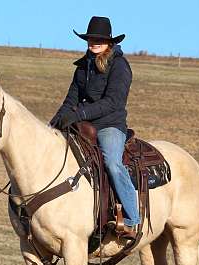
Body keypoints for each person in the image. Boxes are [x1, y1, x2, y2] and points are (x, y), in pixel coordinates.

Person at [50, 16, 139, 239]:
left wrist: (79, 114)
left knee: (112, 162)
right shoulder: (82, 67)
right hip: (84, 125)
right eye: (91, 38)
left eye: (99, 39)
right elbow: (70, 100)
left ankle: (132, 218)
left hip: (109, 125)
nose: (94, 42)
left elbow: (113, 102)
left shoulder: (119, 66)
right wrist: (54, 124)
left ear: (109, 42)